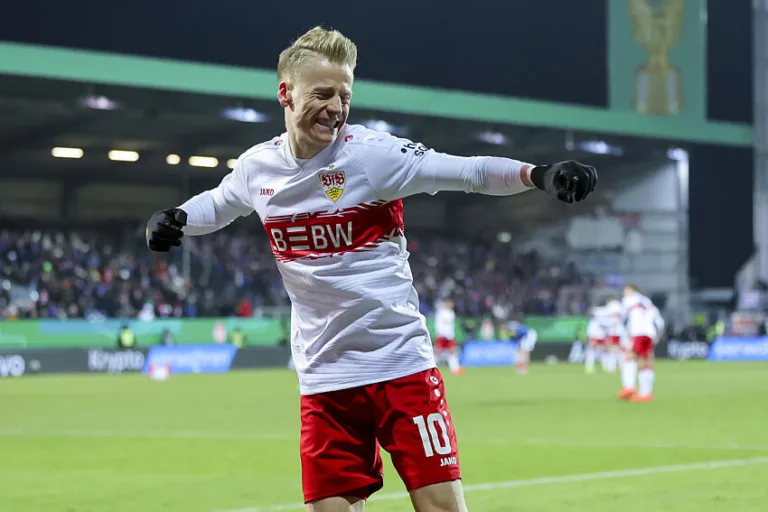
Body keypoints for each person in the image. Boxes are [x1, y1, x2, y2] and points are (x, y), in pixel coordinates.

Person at [145, 26, 597, 512]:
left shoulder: (372, 156)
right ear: (285, 94)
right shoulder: (259, 167)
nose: (336, 108)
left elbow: (467, 171)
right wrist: (177, 218)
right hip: (324, 378)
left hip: (400, 365)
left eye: (345, 96)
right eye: (322, 94)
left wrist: (538, 175)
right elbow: (220, 202)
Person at [619, 284, 657, 402]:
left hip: (637, 332)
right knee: (647, 360)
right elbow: (656, 316)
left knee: (629, 357)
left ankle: (630, 388)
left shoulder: (629, 299)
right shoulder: (646, 300)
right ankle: (646, 392)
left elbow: (621, 316)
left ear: (632, 291)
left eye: (626, 290)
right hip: (650, 332)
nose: (624, 293)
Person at [434, 299, 463, 375]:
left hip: (449, 336)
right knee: (437, 352)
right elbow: (439, 324)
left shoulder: (451, 313)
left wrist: (450, 335)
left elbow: (450, 326)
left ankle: (455, 369)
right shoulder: (441, 312)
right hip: (441, 335)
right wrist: (441, 333)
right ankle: (431, 368)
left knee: (452, 351)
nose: (451, 305)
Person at [584, 306, 606, 375]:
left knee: (603, 351)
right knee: (592, 352)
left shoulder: (601, 317)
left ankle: (605, 366)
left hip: (601, 336)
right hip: (594, 336)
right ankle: (589, 367)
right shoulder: (593, 321)